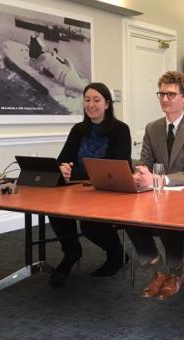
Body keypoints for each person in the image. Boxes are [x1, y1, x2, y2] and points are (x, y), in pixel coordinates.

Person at [126, 71, 184, 299]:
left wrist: (161, 180)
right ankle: (159, 268)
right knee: (127, 216)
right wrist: (141, 174)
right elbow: (144, 163)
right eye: (161, 94)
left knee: (169, 217)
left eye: (171, 94)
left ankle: (174, 274)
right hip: (156, 194)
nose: (165, 99)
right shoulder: (152, 128)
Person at [48, 82, 132, 287]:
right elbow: (63, 159)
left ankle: (117, 255)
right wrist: (63, 169)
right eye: (87, 100)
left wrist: (74, 171)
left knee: (89, 224)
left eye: (96, 100)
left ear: (107, 104)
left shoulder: (120, 130)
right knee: (55, 211)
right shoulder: (78, 130)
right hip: (80, 189)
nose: (91, 104)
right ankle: (71, 252)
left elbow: (112, 168)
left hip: (109, 190)